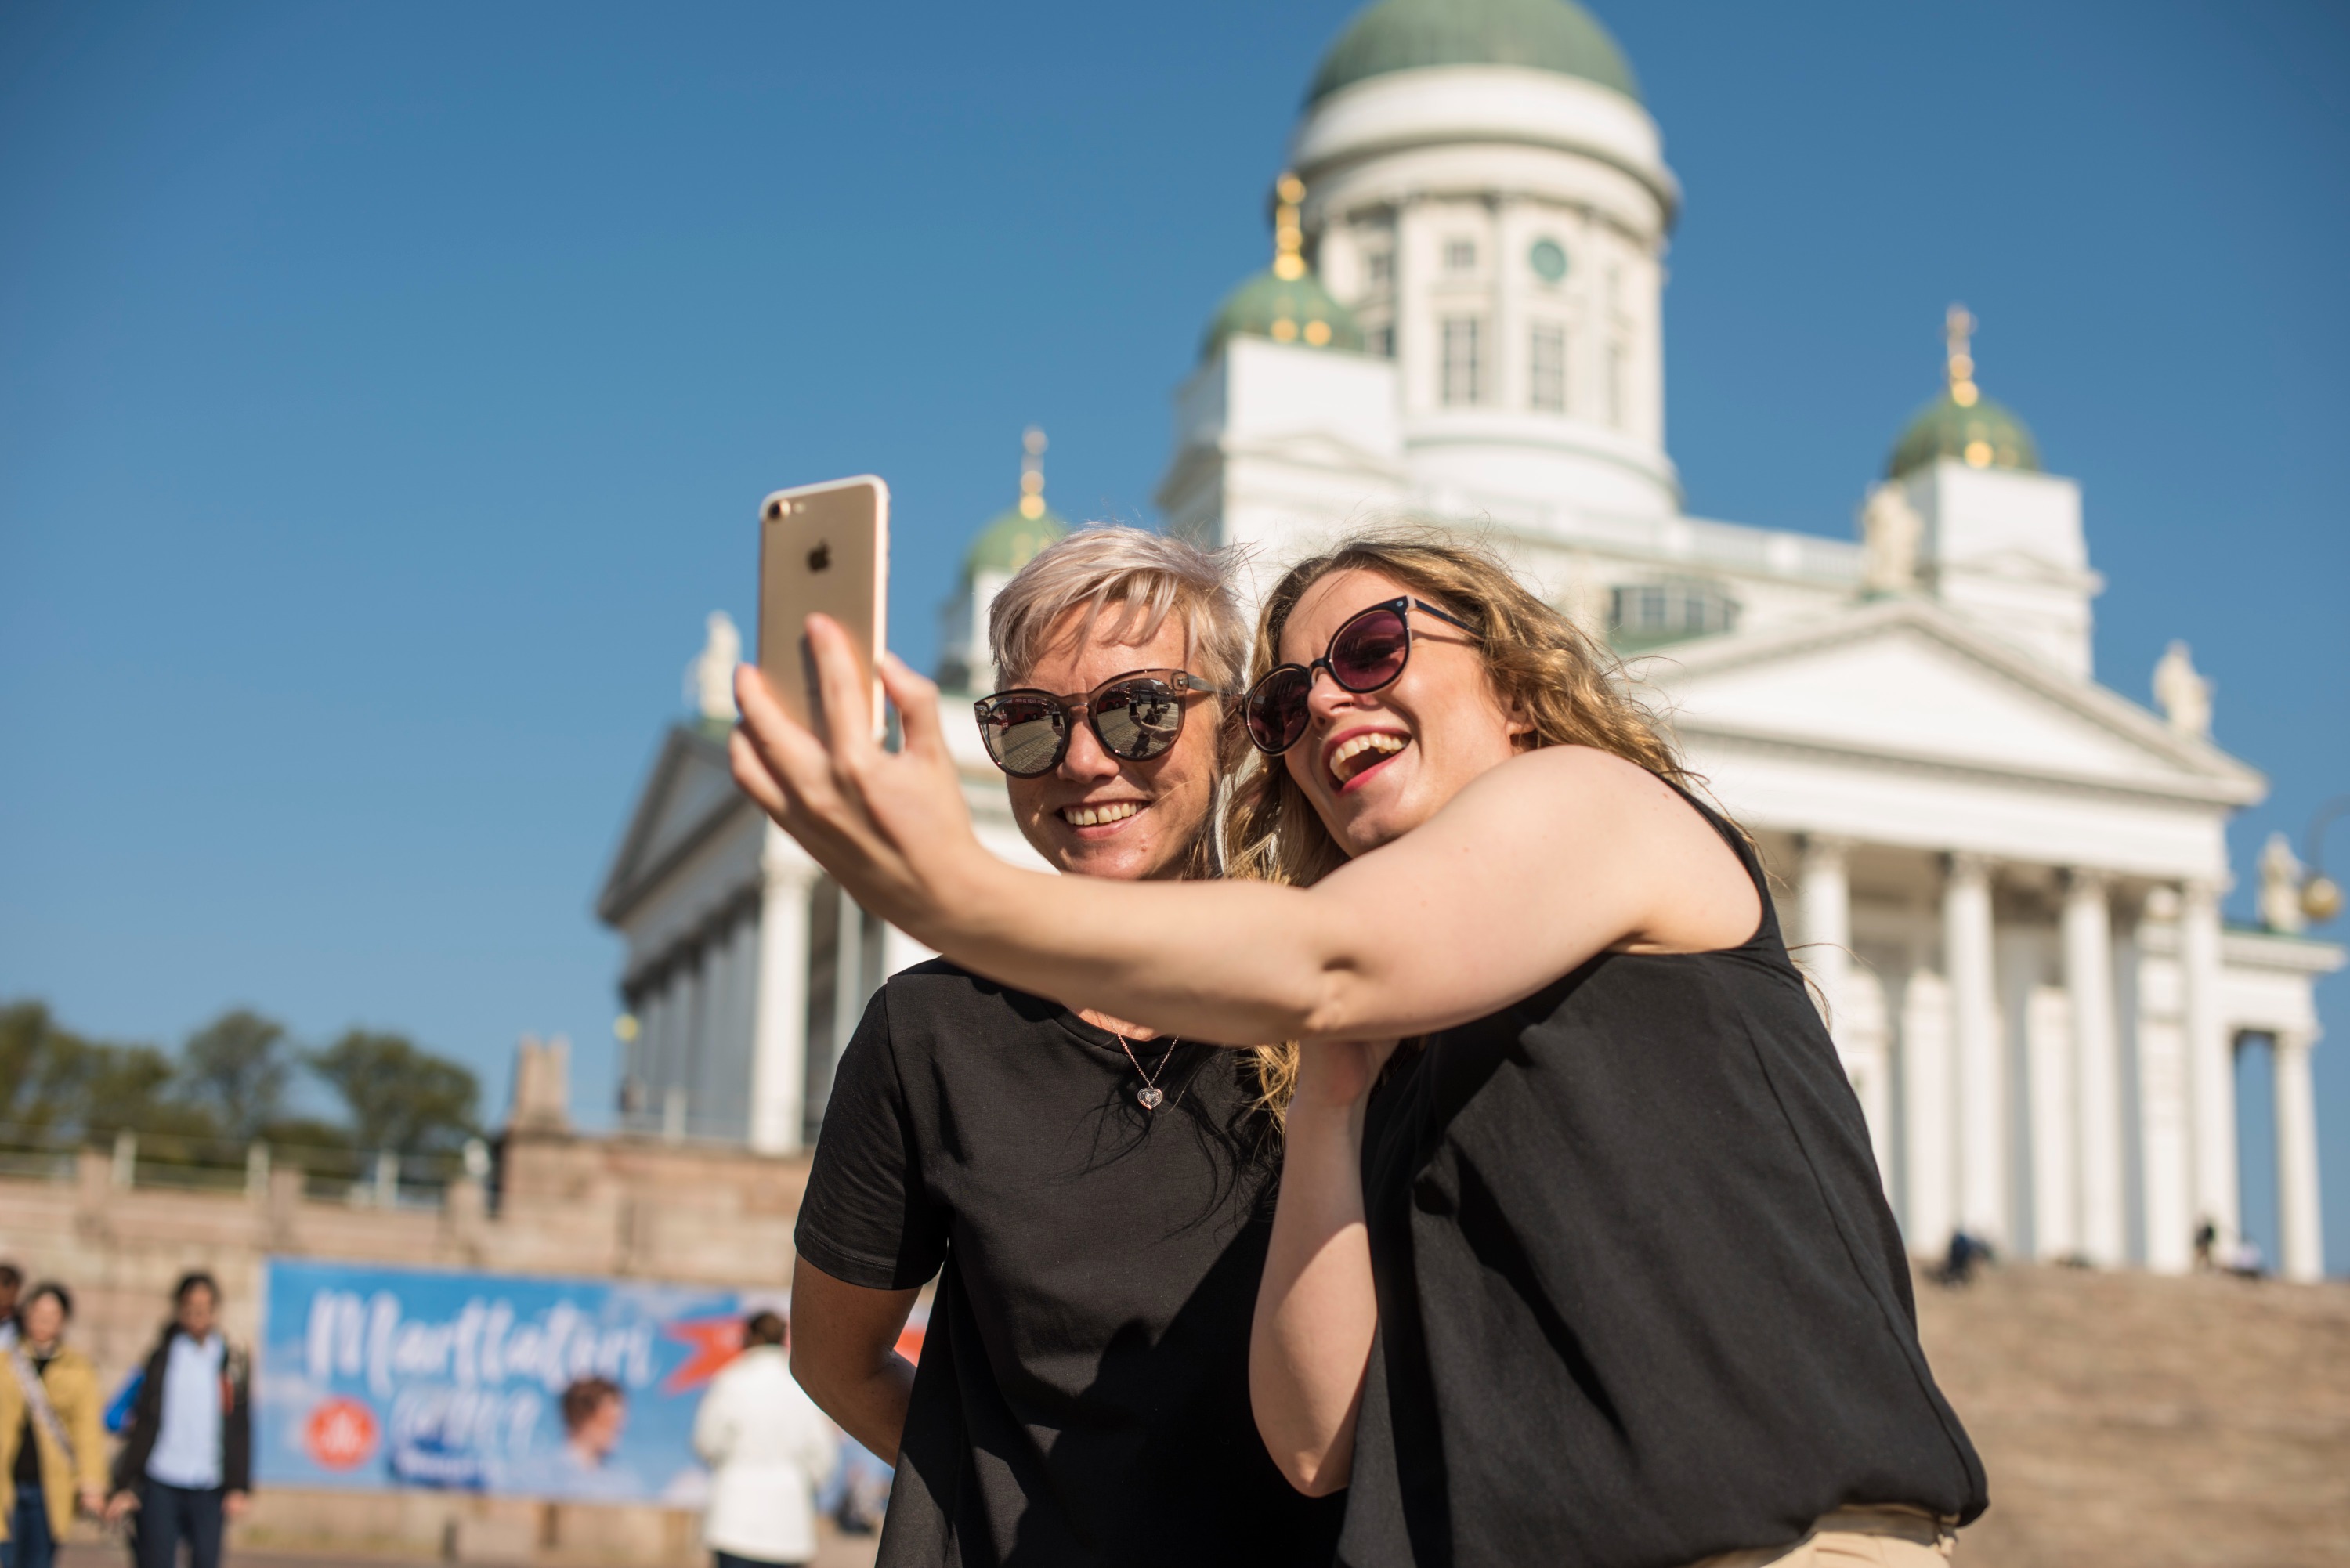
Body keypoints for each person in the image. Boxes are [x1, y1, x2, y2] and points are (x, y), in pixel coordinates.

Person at [731, 528, 1989, 1568]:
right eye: (1290, 696)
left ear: (1509, 671)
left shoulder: (1596, 803)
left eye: (1375, 648)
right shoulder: (1380, 1028)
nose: (1329, 697)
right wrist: (1332, 1089)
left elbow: (1330, 955)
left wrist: (949, 885)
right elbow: (1318, 1439)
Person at [783, 527, 1344, 1566]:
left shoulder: (1333, 997)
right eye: (1031, 724)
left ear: (1231, 729)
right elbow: (833, 1356)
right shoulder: (931, 1031)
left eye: (1141, 712)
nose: (1085, 761)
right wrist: (1017, 1486)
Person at [107, 1273, 251, 1568]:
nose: (198, 1313)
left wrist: (238, 1485)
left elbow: (240, 1426)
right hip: (162, 1477)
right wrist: (125, 1484)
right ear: (179, 1308)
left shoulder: (231, 1359)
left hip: (209, 1481)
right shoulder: (162, 1356)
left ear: (215, 1310)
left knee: (205, 1559)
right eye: (191, 1306)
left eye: (205, 1306)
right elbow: (144, 1421)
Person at [692, 1311, 837, 1568]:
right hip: (789, 1526)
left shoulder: (731, 1380)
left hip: (733, 1521)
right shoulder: (803, 1385)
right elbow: (823, 1455)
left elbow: (706, 1442)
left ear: (750, 1337)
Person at [2, 1283, 107, 1568]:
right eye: (38, 1313)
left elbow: (87, 1430)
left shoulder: (77, 1368)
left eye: (52, 1315)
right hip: (5, 1485)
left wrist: (92, 1484)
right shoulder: (5, 1362)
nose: (43, 1322)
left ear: (63, 1320)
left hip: (49, 1487)